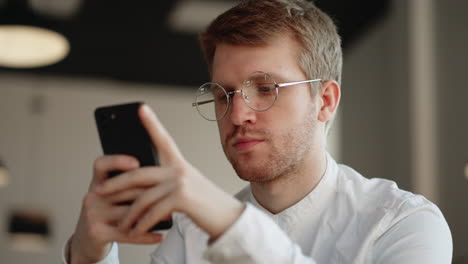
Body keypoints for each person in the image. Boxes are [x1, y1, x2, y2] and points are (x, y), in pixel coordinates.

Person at [63, 0, 452, 263]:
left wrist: (229, 223)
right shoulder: (188, 234)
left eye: (266, 88)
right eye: (224, 94)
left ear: (326, 100)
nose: (238, 114)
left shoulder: (404, 224)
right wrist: (88, 254)